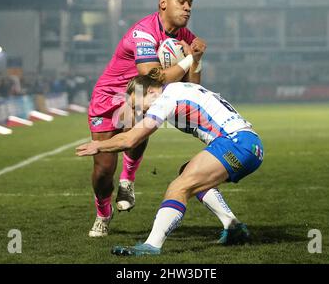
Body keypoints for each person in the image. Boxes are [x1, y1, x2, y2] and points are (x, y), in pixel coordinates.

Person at [76, 73, 264, 255]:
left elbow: (130, 140)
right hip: (249, 144)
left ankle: (152, 245)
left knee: (179, 187)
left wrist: (99, 145)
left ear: (150, 92)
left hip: (236, 143)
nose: (139, 112)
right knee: (187, 173)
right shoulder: (179, 88)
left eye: (137, 105)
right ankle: (233, 226)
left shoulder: (165, 99)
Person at [87, 0, 207, 237]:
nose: (187, 8)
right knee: (103, 169)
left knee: (141, 120)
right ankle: (102, 213)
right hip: (108, 97)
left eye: (190, 4)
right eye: (182, 2)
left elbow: (193, 86)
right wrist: (188, 59)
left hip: (138, 97)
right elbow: (151, 74)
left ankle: (128, 179)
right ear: (163, 3)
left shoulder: (185, 37)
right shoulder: (144, 32)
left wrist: (197, 60)